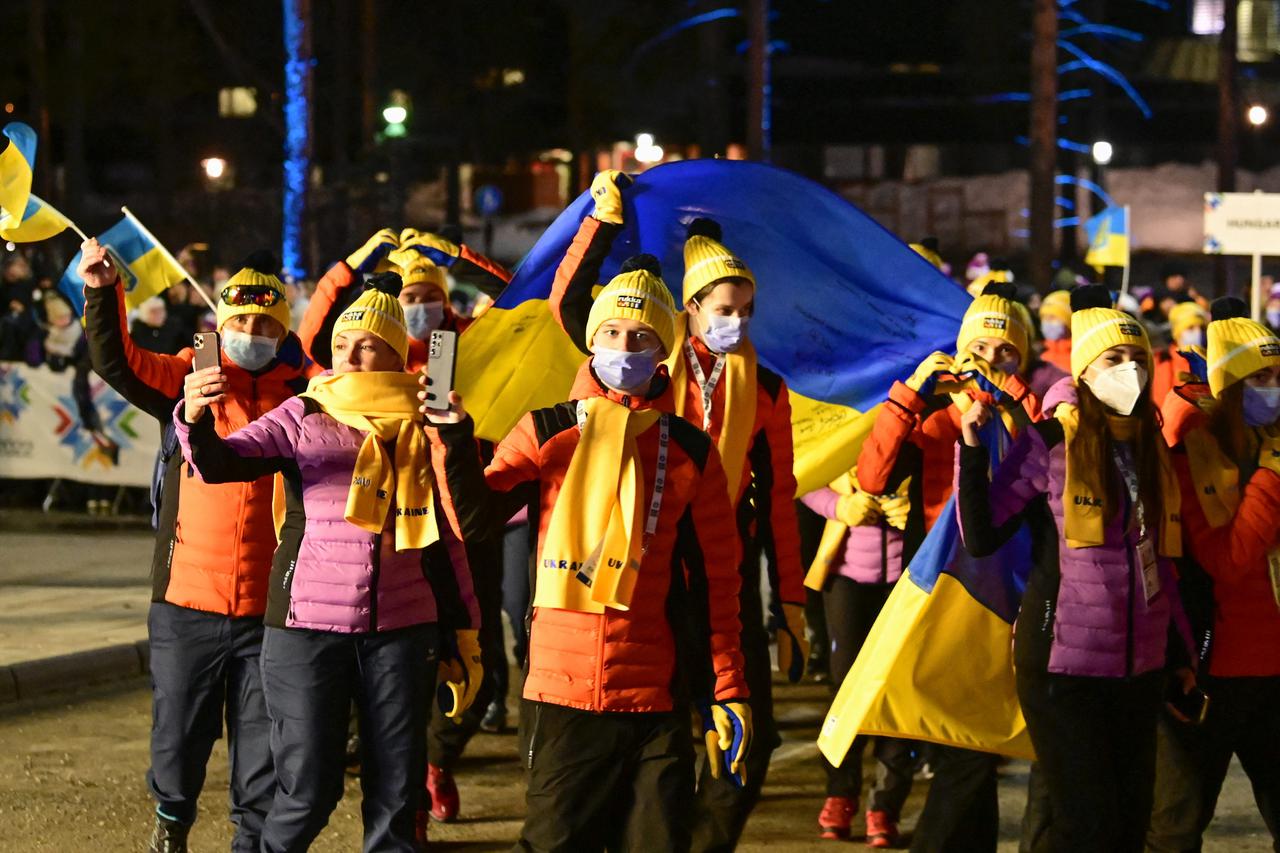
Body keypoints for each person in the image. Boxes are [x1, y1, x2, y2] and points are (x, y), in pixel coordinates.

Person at [424, 253, 750, 852]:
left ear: (664, 350)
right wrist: (451, 436)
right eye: (612, 333)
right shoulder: (548, 430)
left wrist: (727, 687)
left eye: (642, 336)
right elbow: (476, 521)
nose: (625, 347)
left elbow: (717, 582)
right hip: (561, 689)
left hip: (655, 695)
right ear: (591, 340)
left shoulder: (690, 450)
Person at [545, 171, 806, 851]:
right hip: (652, 578)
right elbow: (571, 306)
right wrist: (600, 223)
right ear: (689, 309)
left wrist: (793, 603)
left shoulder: (769, 388)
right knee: (651, 746)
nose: (737, 322)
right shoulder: (648, 363)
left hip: (725, 579)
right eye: (724, 309)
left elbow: (777, 496)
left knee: (748, 741)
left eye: (747, 310)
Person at [175, 273, 482, 851]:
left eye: (367, 344)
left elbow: (456, 528)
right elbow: (218, 463)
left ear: (396, 353)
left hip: (403, 627)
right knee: (308, 789)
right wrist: (192, 418)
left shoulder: (429, 415)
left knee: (396, 794)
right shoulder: (303, 411)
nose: (351, 355)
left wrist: (458, 438)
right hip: (304, 628)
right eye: (342, 344)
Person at [79, 242, 317, 853]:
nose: (252, 332)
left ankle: (251, 841)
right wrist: (105, 293)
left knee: (264, 750)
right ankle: (173, 820)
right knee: (178, 738)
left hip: (274, 611)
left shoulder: (309, 392)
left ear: (284, 328)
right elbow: (116, 362)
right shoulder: (190, 374)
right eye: (240, 320)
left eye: (266, 324)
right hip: (187, 600)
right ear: (221, 320)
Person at [956, 284, 1189, 852]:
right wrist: (970, 450)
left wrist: (1181, 652)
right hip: (1063, 667)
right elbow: (983, 537)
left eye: (1138, 360)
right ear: (1085, 370)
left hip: (1140, 667)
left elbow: (1162, 559)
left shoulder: (1152, 444)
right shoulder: (1051, 439)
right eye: (1113, 359)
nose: (1129, 370)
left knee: (1131, 823)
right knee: (1087, 825)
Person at [857, 281, 1042, 853]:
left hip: (1005, 593)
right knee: (966, 753)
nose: (990, 362)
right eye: (980, 349)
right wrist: (908, 396)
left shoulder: (1027, 413)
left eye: (1006, 351)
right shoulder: (933, 416)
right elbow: (873, 479)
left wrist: (1011, 401)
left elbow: (1045, 460)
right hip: (941, 591)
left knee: (975, 753)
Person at [1146, 297, 1280, 852]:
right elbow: (1227, 559)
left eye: (1278, 374)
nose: (1273, 387)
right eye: (1260, 377)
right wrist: (1270, 478)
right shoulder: (1192, 457)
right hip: (1213, 670)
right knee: (1177, 826)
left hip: (1274, 668)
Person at [801, 467, 915, 846]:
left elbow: (955, 476)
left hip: (909, 578)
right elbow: (802, 473)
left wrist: (921, 509)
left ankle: (885, 804)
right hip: (846, 577)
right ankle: (840, 794)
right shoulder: (843, 409)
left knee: (897, 692)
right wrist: (840, 506)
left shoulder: (928, 414)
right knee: (846, 691)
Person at [298, 227, 510, 372]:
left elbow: (520, 301)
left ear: (445, 301)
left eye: (431, 297)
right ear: (395, 303)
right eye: (410, 297)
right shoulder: (371, 347)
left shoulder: (471, 336)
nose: (421, 305)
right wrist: (349, 271)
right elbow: (313, 340)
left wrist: (459, 260)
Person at [1151, 299, 1208, 407]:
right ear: (1177, 332)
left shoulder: (1211, 361)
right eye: (1190, 328)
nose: (1198, 333)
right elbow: (1160, 403)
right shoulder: (1163, 361)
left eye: (1202, 328)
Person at [1038, 290, 1072, 375]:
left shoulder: (1079, 357)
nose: (1047, 322)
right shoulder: (1041, 357)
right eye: (1044, 317)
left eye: (1052, 317)